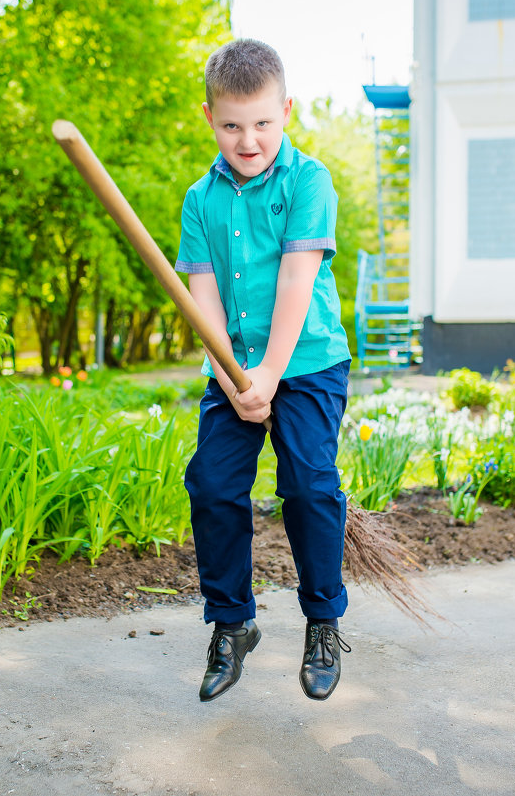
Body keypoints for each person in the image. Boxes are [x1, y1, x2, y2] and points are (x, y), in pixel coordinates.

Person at [174, 38, 353, 702]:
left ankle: (323, 623)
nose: (248, 140)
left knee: (307, 486)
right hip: (232, 365)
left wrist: (269, 374)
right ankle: (231, 623)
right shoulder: (200, 198)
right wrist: (231, 378)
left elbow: (297, 282)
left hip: (305, 362)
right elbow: (204, 295)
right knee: (213, 484)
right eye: (230, 125)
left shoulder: (310, 181)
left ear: (287, 112)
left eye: (262, 123)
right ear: (209, 116)